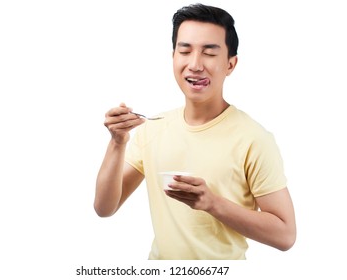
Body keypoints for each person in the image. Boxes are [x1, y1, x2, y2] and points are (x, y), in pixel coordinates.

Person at [94, 3, 296, 260]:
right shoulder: (152, 127)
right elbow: (104, 207)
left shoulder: (253, 139)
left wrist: (212, 203)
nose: (195, 64)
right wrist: (117, 142)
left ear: (231, 64)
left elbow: (286, 235)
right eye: (185, 51)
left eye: (209, 53)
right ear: (173, 57)